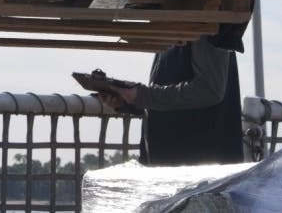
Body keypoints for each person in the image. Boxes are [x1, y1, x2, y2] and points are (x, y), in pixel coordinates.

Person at [97, 34, 243, 166]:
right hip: (176, 166)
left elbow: (208, 90)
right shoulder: (175, 31)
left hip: (198, 170)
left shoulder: (206, 25)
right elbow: (172, 98)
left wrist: (140, 96)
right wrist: (128, 101)